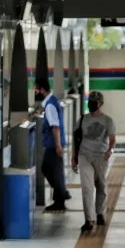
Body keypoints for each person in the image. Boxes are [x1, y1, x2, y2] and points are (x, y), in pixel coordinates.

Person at [72, 91, 116, 232]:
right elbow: (76, 140)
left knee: (101, 186)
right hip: (84, 155)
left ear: (100, 104)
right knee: (87, 188)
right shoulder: (82, 120)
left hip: (101, 157)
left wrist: (110, 150)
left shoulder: (108, 120)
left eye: (94, 101)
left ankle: (100, 213)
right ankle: (89, 219)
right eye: (89, 101)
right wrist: (74, 157)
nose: (91, 104)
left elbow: (112, 138)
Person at [34, 78, 72, 212]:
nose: (35, 91)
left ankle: (62, 193)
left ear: (42, 89)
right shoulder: (51, 102)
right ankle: (59, 200)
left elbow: (55, 127)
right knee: (56, 171)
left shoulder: (50, 105)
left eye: (36, 89)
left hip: (53, 144)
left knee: (47, 168)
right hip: (54, 143)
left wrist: (57, 146)